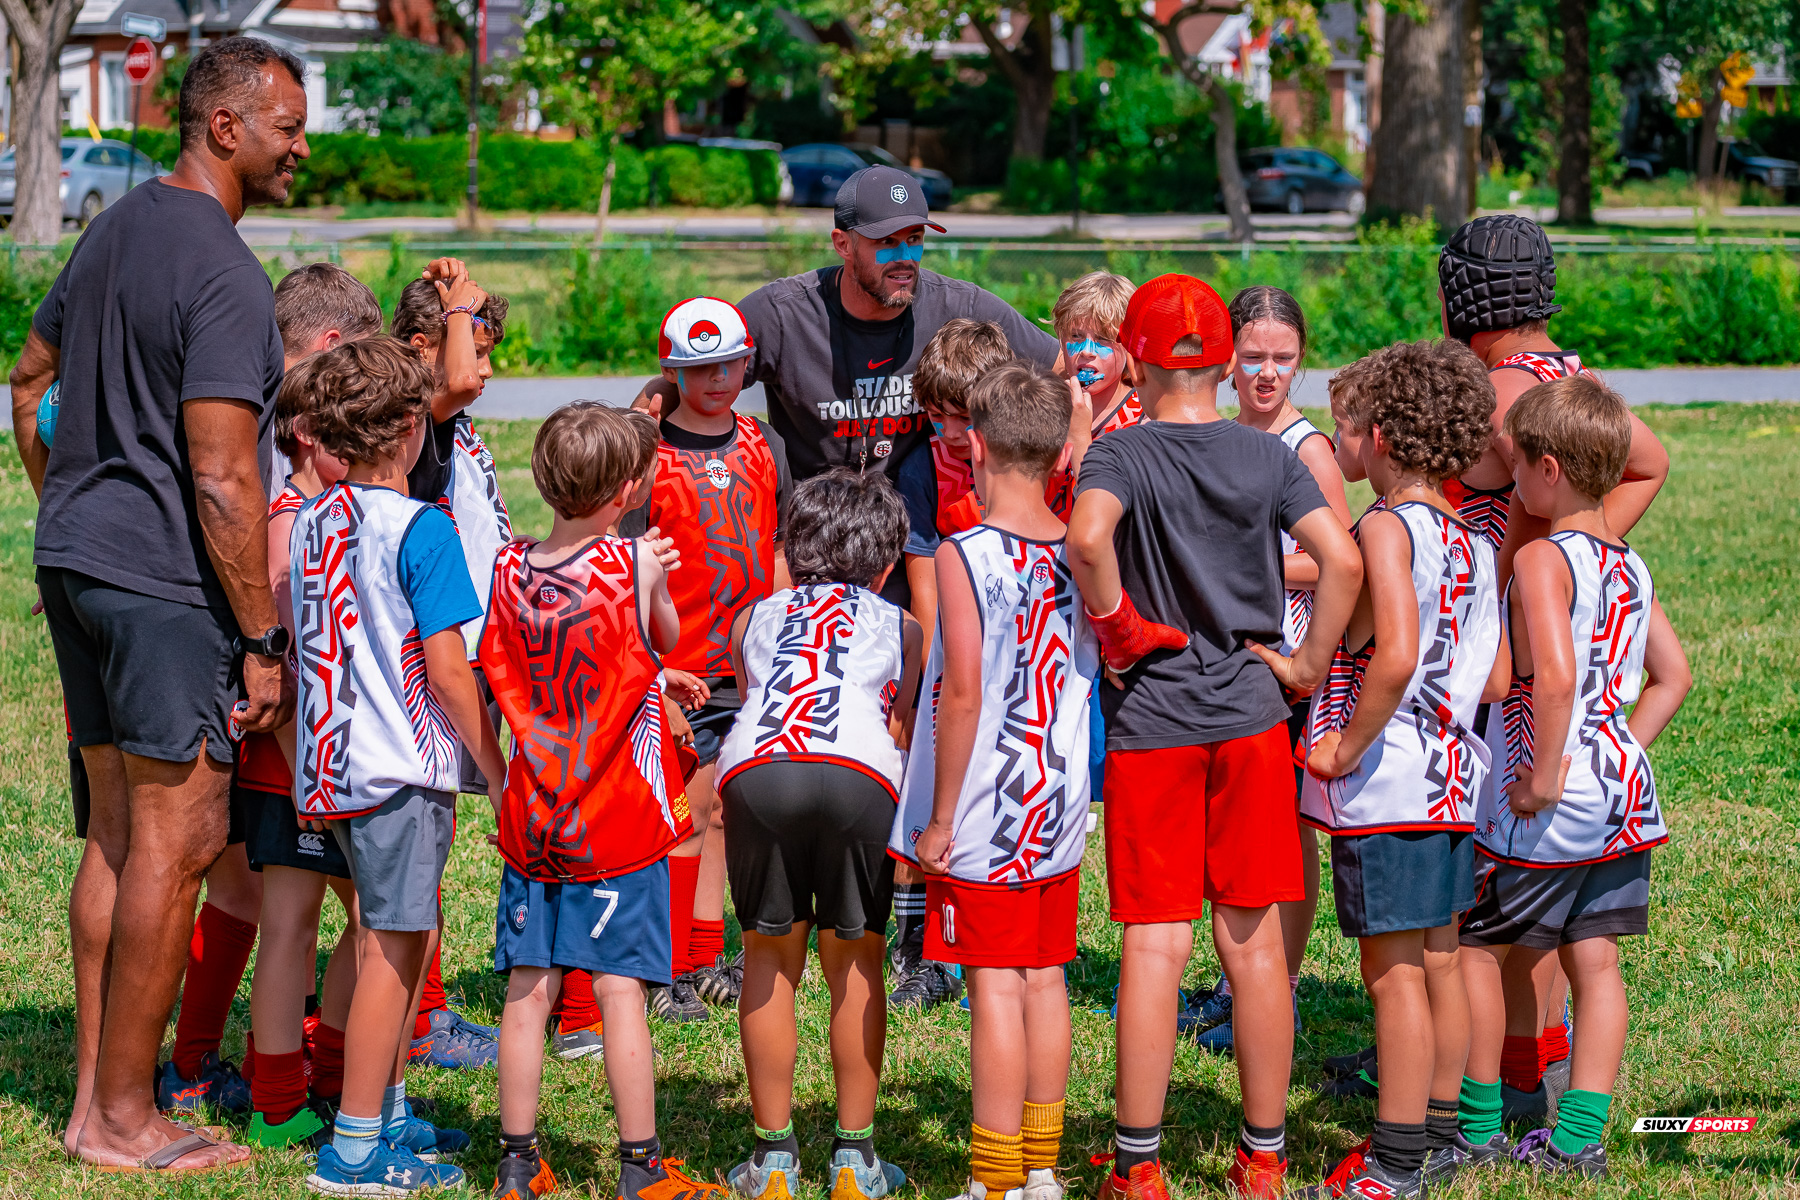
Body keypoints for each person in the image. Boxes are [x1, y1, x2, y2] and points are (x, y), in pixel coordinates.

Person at [9, 35, 304, 1172]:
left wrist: (71, 502)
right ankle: (127, 1118)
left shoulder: (115, 228)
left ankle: (96, 1100)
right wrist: (262, 639)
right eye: (285, 126)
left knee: (119, 836)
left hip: (74, 562)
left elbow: (30, 375)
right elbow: (227, 475)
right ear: (224, 127)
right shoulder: (225, 271)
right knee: (179, 845)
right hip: (165, 589)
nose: (300, 148)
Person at [1066, 275, 1362, 1200]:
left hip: (1154, 721)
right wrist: (1308, 664)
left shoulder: (1121, 456)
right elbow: (1344, 559)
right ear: (1228, 361)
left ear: (1135, 361)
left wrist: (1116, 628)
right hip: (1251, 721)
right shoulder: (1265, 454)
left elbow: (1085, 542)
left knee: (1156, 946)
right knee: (1255, 948)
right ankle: (1263, 1161)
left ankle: (1139, 1167)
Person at [1435, 213, 1673, 1118]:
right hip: (1561, 651)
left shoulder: (1497, 392)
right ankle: (1549, 1066)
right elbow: (1648, 464)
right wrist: (1589, 553)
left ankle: (1493, 1078)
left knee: (1500, 904)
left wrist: (1534, 569)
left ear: (1466, 292)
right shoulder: (1571, 377)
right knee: (1565, 915)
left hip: (1507, 664)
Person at [1255, 338, 1501, 1199]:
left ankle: (1394, 1164)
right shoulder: (1472, 540)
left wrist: (1341, 746)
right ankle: (1442, 1131)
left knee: (1391, 973)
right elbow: (1497, 675)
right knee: (1440, 957)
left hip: (1390, 779)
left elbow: (1392, 654)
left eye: (1347, 427)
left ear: (1384, 439)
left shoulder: (1386, 527)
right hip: (1454, 777)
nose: (1339, 443)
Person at [480, 401, 726, 1200]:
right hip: (614, 819)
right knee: (620, 992)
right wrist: (648, 577)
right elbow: (654, 635)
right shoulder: (632, 564)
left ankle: (517, 1163)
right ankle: (641, 1167)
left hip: (534, 816)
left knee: (528, 990)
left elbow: (547, 657)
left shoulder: (509, 569)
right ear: (626, 491)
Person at [1457, 375, 1690, 1179]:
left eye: (1516, 467)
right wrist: (1617, 747)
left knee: (1476, 951)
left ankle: (1480, 1124)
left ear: (1550, 469)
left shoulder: (1539, 559)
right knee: (1596, 962)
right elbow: (1673, 677)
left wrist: (1547, 776)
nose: (1509, 482)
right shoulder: (1632, 564)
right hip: (1626, 791)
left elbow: (1551, 678)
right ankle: (1577, 1140)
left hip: (1553, 795)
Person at [291, 338, 506, 1195]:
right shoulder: (424, 528)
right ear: (414, 427)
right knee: (393, 947)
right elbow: (449, 668)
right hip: (399, 773)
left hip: (331, 769)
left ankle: (384, 1109)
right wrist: (492, 760)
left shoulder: (313, 519)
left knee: (374, 938)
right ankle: (353, 1150)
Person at [895, 360, 1098, 1200]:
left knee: (992, 989)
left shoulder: (964, 553)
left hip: (988, 804)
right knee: (1045, 978)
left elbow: (964, 690)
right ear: (1058, 453)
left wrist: (939, 820)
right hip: (1059, 799)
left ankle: (994, 1177)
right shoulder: (1082, 542)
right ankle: (1042, 1168)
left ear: (974, 446)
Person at [714, 469, 921, 1200]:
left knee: (770, 954)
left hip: (758, 769)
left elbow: (755, 698)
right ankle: (854, 1161)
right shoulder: (901, 624)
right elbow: (899, 724)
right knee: (856, 957)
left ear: (789, 547)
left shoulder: (753, 616)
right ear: (888, 563)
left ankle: (773, 1160)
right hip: (859, 769)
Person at [1188, 286, 1354, 1056]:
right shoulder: (1218, 431)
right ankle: (1237, 982)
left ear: (1301, 362)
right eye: (1251, 356)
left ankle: (1275, 989)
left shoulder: (1306, 447)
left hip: (1286, 661)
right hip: (1229, 654)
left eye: (1281, 359)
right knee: (1235, 828)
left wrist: (1240, 566)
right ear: (1225, 358)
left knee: (1284, 835)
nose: (1265, 372)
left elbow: (1337, 561)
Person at [619, 296, 794, 1023]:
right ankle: (667, 968)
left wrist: (783, 647)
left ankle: (702, 955)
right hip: (673, 666)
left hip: (743, 666)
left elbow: (776, 548)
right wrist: (648, 667)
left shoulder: (763, 444)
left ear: (747, 363)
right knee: (683, 813)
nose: (715, 379)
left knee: (724, 811)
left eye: (727, 364)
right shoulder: (648, 453)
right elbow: (624, 563)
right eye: (696, 368)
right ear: (670, 370)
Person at [242, 269, 384, 1148]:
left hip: (320, 759)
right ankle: (285, 1101)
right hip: (305, 762)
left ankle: (314, 1085)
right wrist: (308, 761)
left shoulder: (317, 509)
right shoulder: (293, 523)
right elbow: (290, 657)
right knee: (320, 925)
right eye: (353, 440)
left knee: (338, 924)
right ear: (309, 436)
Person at [391, 265, 513, 1069]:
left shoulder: (456, 426)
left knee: (435, 835)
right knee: (423, 839)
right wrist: (460, 304)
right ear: (419, 348)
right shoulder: (412, 416)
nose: (486, 369)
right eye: (474, 343)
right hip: (435, 652)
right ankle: (423, 1018)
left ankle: (425, 1010)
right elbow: (459, 379)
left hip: (475, 642)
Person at [888, 316, 1015, 1011]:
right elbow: (928, 588)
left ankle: (989, 939)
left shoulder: (1025, 456)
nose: (948, 433)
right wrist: (935, 689)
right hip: (951, 663)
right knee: (930, 801)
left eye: (960, 418)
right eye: (935, 417)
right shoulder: (923, 468)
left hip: (1020, 664)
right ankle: (919, 954)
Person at [1045, 270, 1141, 519]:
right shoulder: (1042, 404)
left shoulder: (1144, 419)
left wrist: (1078, 435)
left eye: (1103, 339)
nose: (1087, 351)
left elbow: (1112, 513)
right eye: (1075, 336)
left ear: (1130, 344)